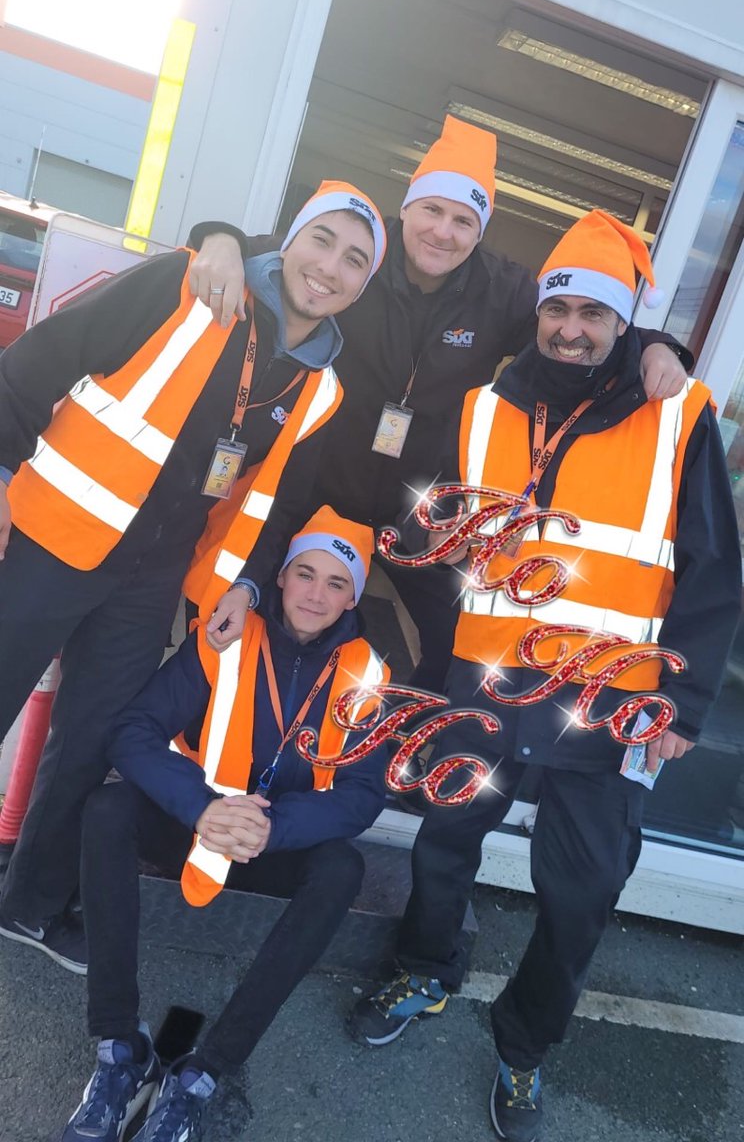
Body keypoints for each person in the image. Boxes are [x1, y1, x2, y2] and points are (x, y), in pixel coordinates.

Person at [345, 211, 741, 1141]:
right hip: (488, 686)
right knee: (445, 843)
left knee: (583, 889)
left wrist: (682, 704)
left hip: (611, 705)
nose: (573, 327)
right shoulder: (485, 408)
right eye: (560, 306)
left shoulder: (676, 411)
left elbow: (715, 571)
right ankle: (425, 971)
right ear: (540, 312)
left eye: (596, 315)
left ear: (623, 324)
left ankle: (523, 1050)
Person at [0, 181, 386, 971]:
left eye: (355, 260)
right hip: (53, 536)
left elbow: (274, 505)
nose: (330, 269)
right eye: (322, 242)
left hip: (150, 578)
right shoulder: (189, 282)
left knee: (88, 741)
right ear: (290, 241)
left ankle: (29, 905)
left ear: (363, 285)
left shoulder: (320, 389)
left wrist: (243, 584)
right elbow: (38, 363)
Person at [190, 115, 690, 691]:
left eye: (463, 220)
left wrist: (655, 346)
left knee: (454, 639)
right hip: (319, 484)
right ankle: (256, 719)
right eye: (432, 210)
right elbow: (270, 254)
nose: (443, 232)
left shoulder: (504, 291)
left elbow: (574, 325)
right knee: (269, 605)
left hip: (424, 509)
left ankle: (414, 745)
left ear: (481, 231)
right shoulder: (361, 258)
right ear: (406, 209)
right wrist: (219, 238)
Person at [52, 507, 388, 1142]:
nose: (316, 594)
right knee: (108, 811)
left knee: (342, 869)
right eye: (305, 574)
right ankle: (120, 1047)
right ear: (281, 579)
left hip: (271, 838)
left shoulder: (369, 675)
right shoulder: (226, 635)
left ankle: (204, 1072)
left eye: (337, 583)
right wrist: (202, 806)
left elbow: (363, 794)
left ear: (353, 599)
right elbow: (135, 732)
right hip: (199, 818)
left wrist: (274, 827)